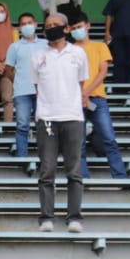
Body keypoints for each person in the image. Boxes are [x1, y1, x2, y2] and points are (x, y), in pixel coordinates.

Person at [32, 12, 88, 232]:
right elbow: (37, 86)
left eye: (56, 25)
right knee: (47, 170)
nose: (52, 28)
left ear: (66, 28)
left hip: (73, 117)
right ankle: (46, 217)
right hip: (47, 117)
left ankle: (74, 217)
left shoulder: (78, 53)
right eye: (48, 26)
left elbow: (81, 83)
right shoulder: (38, 56)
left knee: (74, 170)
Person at [72, 13, 128, 180]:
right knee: (78, 144)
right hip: (75, 101)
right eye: (74, 28)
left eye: (79, 27)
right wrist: (81, 95)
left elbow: (103, 71)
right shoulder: (69, 50)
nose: (77, 31)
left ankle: (120, 176)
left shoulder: (100, 46)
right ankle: (83, 178)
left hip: (97, 99)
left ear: (88, 25)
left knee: (109, 138)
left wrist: (86, 93)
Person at [5, 12, 48, 157]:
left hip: (43, 92)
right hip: (22, 92)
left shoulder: (45, 44)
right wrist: (19, 81)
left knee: (43, 126)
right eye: (23, 24)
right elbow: (9, 69)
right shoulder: (14, 47)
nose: (27, 26)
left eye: (30, 22)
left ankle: (46, 156)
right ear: (19, 28)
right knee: (22, 125)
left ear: (36, 24)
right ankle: (21, 157)